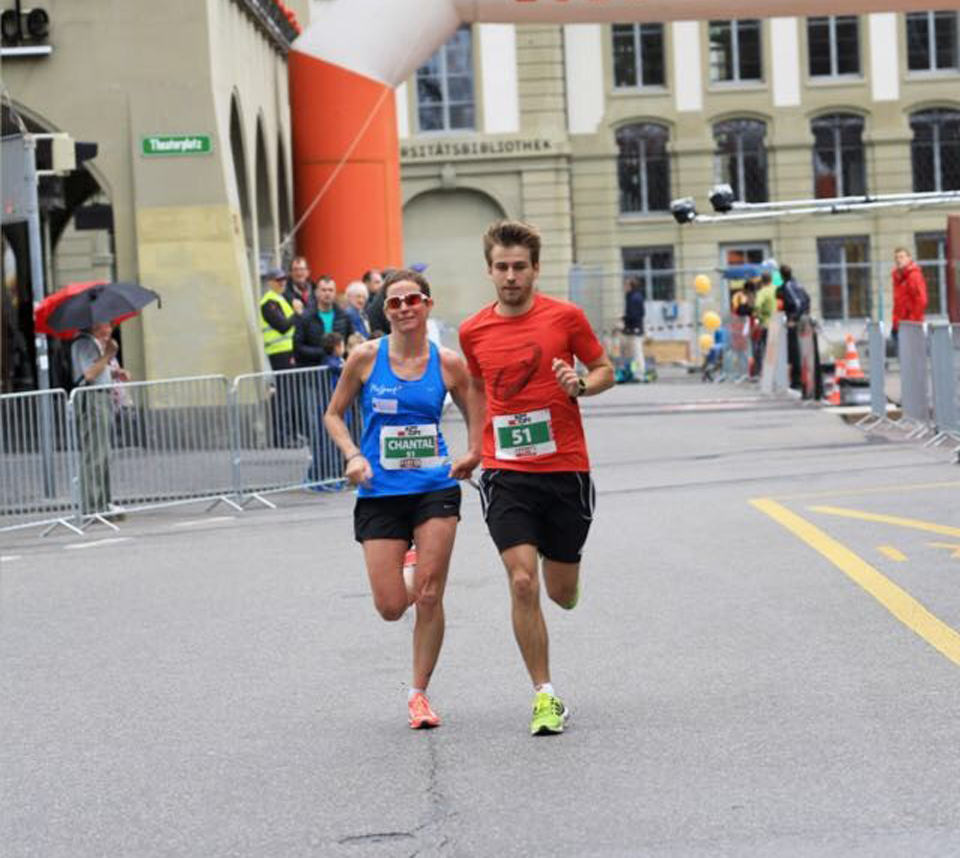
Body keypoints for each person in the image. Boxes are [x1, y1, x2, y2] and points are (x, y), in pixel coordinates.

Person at [458, 220, 615, 736]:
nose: (510, 277)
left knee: (559, 592)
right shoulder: (473, 329)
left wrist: (581, 387)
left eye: (519, 267)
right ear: (489, 270)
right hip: (507, 472)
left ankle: (565, 577)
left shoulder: (566, 317)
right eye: (501, 268)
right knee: (522, 579)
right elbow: (478, 390)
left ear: (535, 269)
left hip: (565, 468)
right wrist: (478, 446)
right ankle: (545, 695)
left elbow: (604, 368)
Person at [324, 269, 481, 729]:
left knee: (430, 595)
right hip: (380, 492)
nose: (405, 307)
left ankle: (419, 695)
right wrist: (353, 454)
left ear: (427, 305)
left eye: (413, 299)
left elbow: (477, 402)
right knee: (392, 606)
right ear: (385, 311)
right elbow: (334, 415)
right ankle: (410, 561)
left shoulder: (448, 362)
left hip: (434, 487)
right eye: (394, 302)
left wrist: (473, 451)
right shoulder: (365, 359)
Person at [71, 322, 123, 519]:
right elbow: (89, 373)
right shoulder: (83, 343)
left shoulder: (92, 343)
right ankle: (93, 506)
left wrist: (115, 372)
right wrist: (109, 354)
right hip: (92, 400)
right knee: (95, 453)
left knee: (102, 452)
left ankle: (103, 502)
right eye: (106, 324)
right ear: (94, 326)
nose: (110, 328)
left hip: (100, 398)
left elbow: (97, 369)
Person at [260, 267, 301, 446]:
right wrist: (296, 312)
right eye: (278, 280)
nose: (282, 282)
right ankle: (281, 437)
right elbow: (283, 326)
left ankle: (290, 434)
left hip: (288, 352)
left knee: (289, 395)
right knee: (284, 396)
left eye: (284, 279)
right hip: (279, 353)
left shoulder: (280, 299)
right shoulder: (268, 302)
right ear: (269, 282)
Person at [778, 264, 811, 391]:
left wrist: (793, 319)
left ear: (781, 275)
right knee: (802, 351)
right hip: (803, 320)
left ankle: (797, 381)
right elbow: (807, 299)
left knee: (795, 352)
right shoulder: (797, 284)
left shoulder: (788, 286)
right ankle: (802, 379)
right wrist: (806, 314)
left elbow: (797, 303)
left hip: (796, 323)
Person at [891, 246, 928, 350]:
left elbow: (922, 300)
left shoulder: (914, 276)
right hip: (899, 324)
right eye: (896, 258)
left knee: (912, 359)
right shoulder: (897, 277)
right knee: (903, 359)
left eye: (901, 257)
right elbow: (898, 302)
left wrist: (912, 322)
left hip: (910, 326)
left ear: (909, 258)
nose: (898, 260)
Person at [753, 272, 777, 378]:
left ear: (762, 281)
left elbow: (757, 306)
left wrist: (759, 317)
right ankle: (778, 375)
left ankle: (768, 375)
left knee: (766, 350)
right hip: (779, 324)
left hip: (766, 325)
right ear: (771, 280)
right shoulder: (777, 289)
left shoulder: (762, 292)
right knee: (778, 351)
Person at [622, 276, 646, 383]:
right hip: (634, 328)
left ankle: (639, 374)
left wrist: (625, 319)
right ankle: (635, 372)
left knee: (637, 352)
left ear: (631, 286)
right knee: (633, 353)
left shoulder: (633, 298)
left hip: (634, 329)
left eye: (626, 285)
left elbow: (635, 315)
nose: (624, 287)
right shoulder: (633, 296)